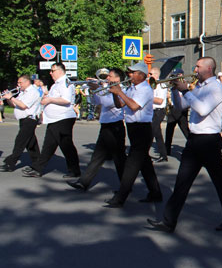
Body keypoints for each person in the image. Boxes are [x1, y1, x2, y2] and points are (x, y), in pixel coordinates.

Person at [147, 57, 222, 232]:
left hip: (209, 140)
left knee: (219, 182)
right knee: (182, 181)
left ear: (209, 69)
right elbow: (182, 106)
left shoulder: (216, 88)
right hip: (194, 139)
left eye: (198, 67)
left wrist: (186, 91)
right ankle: (168, 221)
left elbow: (203, 109)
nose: (194, 70)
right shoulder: (200, 87)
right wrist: (175, 90)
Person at [104, 62, 162, 208]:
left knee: (132, 164)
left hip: (142, 128)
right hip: (132, 128)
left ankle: (120, 197)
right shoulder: (131, 88)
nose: (129, 75)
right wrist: (115, 94)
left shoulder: (145, 89)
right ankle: (155, 193)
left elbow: (134, 106)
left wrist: (120, 92)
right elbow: (120, 105)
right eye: (129, 72)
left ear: (141, 75)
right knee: (145, 163)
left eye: (132, 72)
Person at [67, 69, 127, 192]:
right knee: (97, 157)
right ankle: (84, 182)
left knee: (119, 158)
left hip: (115, 126)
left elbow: (109, 102)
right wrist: (93, 90)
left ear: (117, 79)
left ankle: (126, 186)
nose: (107, 78)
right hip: (106, 126)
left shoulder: (121, 90)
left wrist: (96, 89)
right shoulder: (106, 88)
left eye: (109, 76)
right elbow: (96, 102)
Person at [22, 63, 81, 179]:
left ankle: (75, 171)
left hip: (62, 118)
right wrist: (47, 96)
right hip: (55, 119)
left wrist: (49, 99)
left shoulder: (65, 82)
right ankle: (38, 169)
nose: (50, 73)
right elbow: (56, 97)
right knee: (48, 146)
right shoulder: (57, 84)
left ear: (59, 71)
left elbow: (66, 100)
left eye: (52, 70)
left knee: (66, 145)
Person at [1, 75, 41, 172]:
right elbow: (14, 104)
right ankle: (38, 163)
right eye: (18, 83)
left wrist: (12, 97)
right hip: (23, 119)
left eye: (20, 83)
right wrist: (8, 98)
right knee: (31, 143)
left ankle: (10, 163)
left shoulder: (33, 92)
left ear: (27, 82)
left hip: (30, 119)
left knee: (20, 141)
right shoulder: (23, 92)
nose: (18, 85)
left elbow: (23, 106)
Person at [164, 69, 190, 157]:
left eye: (176, 75)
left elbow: (186, 97)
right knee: (169, 131)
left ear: (181, 75)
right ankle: (166, 150)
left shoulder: (186, 84)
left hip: (182, 110)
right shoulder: (173, 85)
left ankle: (192, 147)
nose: (175, 77)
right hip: (173, 109)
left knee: (185, 130)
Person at [148, 67, 169, 162]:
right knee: (157, 134)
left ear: (156, 75)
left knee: (151, 132)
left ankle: (143, 153)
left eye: (151, 74)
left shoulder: (160, 85)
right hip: (153, 111)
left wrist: (147, 96)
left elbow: (159, 101)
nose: (149, 76)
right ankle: (163, 155)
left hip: (159, 111)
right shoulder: (151, 85)